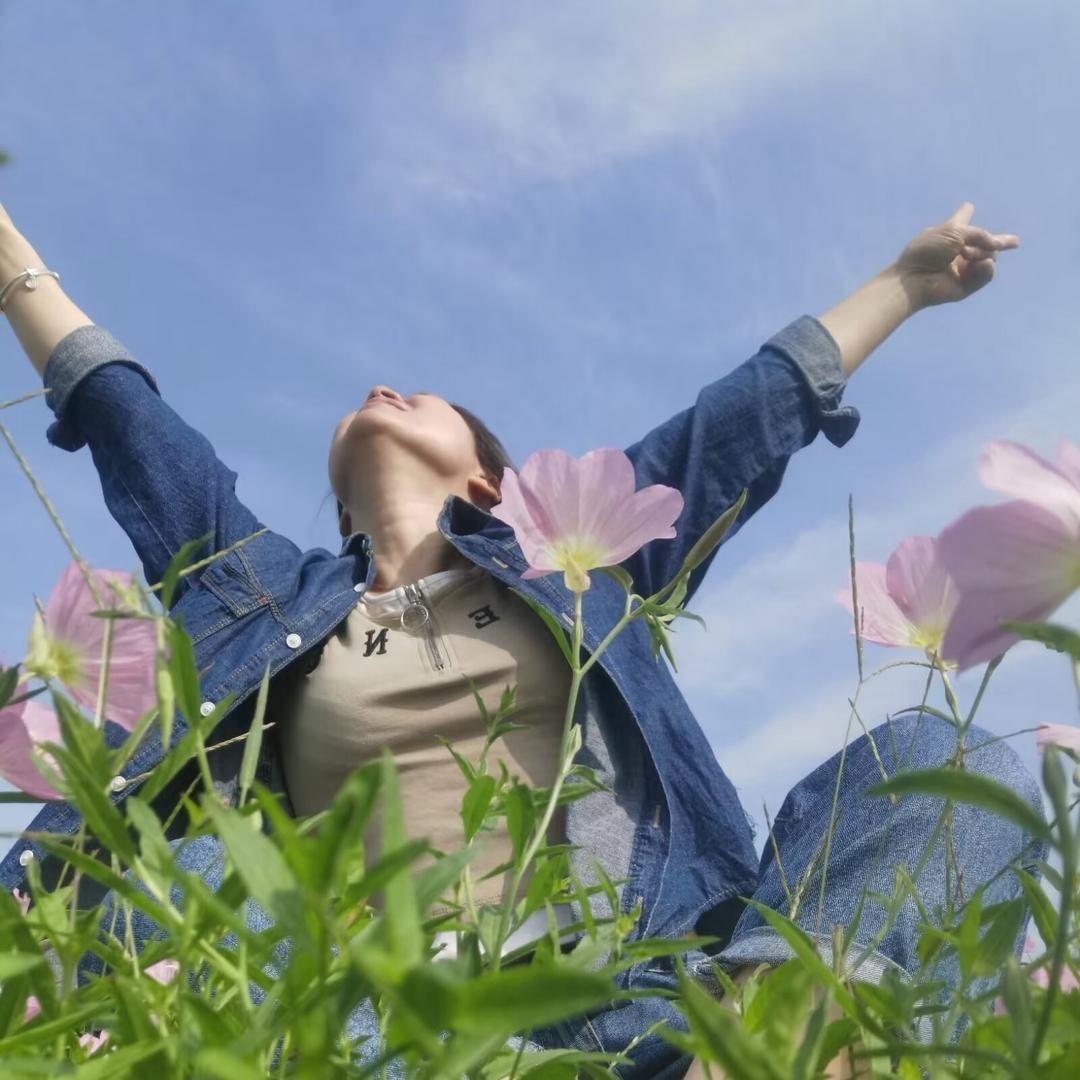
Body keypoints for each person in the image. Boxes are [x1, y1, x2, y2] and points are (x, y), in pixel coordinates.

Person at [0, 197, 1046, 1077]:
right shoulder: (262, 592)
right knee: (158, 867)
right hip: (378, 1017)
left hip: (648, 998)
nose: (375, 391)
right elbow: (128, 426)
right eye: (361, 404)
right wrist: (15, 272)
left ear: (491, 482)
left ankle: (767, 1044)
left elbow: (740, 421)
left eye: (417, 398)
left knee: (940, 762)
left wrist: (904, 283)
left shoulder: (573, 555)